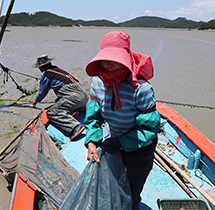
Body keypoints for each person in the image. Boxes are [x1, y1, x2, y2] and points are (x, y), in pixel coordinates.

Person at [82, 31, 160, 210]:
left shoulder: (140, 88)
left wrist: (118, 142)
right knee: (114, 184)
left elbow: (148, 129)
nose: (108, 63)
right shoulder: (97, 82)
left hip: (140, 148)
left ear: (125, 58)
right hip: (113, 143)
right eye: (105, 58)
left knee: (132, 190)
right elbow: (94, 116)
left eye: (114, 59)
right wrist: (92, 141)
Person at [31, 55, 88, 140]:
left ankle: (75, 126)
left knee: (52, 112)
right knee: (58, 100)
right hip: (84, 96)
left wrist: (36, 99)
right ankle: (71, 113)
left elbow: (43, 92)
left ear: (41, 67)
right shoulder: (58, 70)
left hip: (75, 97)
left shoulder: (46, 74)